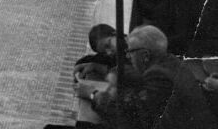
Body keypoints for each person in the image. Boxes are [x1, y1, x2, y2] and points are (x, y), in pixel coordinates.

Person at [88, 25, 218, 129]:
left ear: (145, 55)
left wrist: (93, 95)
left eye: (131, 52)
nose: (128, 56)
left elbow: (131, 119)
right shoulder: (171, 62)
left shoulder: (158, 76)